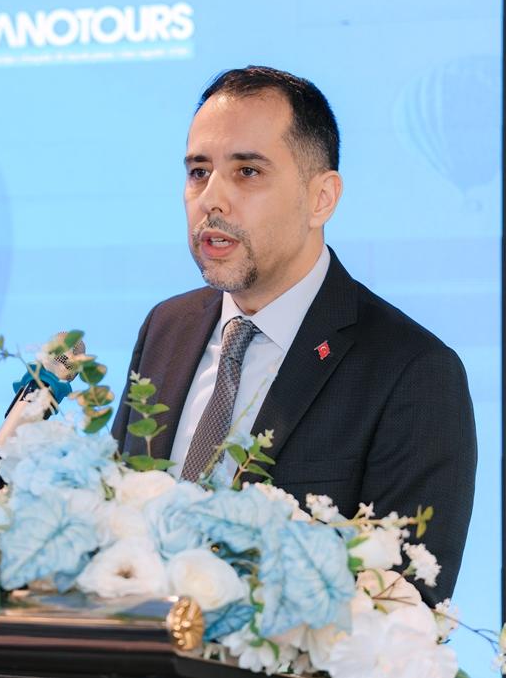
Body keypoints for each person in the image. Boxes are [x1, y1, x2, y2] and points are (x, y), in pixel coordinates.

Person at [110, 65, 476, 602]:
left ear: (321, 198)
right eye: (198, 172)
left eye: (247, 172)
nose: (211, 199)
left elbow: (405, 606)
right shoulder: (167, 327)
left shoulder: (412, 372)